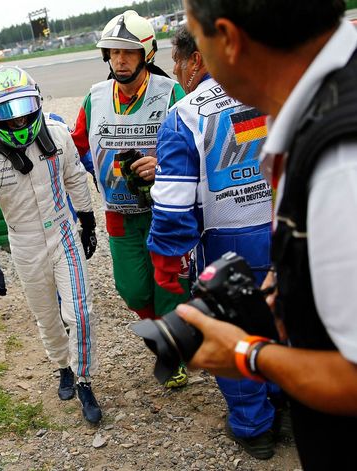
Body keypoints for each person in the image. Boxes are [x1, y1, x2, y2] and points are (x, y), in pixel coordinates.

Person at [176, 0, 357, 468]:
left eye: (197, 40)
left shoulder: (341, 163)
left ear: (230, 41)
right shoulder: (325, 98)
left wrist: (247, 354)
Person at [147, 25, 283, 459]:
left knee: (231, 329)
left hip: (227, 242)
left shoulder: (185, 114)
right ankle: (285, 396)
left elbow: (172, 202)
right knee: (284, 313)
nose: (175, 69)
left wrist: (166, 259)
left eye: (177, 60)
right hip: (286, 229)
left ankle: (253, 425)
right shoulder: (270, 88)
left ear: (199, 59)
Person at [0, 66, 101, 424]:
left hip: (63, 233)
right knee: (46, 316)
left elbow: (74, 176)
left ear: (38, 100)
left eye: (24, 106)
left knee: (81, 312)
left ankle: (84, 378)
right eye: (6, 111)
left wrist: (87, 222)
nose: (18, 118)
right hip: (24, 243)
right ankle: (63, 367)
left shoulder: (56, 133)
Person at [71, 10, 189, 388]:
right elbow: (77, 144)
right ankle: (164, 333)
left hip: (165, 210)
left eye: (128, 52)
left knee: (169, 283)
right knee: (131, 287)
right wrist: (99, 170)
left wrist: (164, 166)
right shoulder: (95, 97)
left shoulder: (172, 94)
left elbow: (194, 144)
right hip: (118, 212)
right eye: (113, 52)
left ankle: (171, 351)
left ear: (147, 53)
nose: (120, 60)